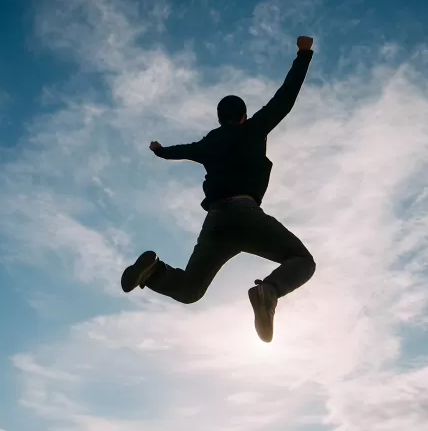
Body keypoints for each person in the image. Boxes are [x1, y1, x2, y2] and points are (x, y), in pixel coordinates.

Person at [120, 36, 317, 343]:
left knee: (190, 290)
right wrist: (303, 55)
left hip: (216, 222)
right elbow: (285, 97)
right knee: (302, 261)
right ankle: (269, 290)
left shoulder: (208, 144)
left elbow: (182, 150)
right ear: (243, 116)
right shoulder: (253, 129)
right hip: (245, 213)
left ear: (220, 119)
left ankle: (153, 272)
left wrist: (160, 150)